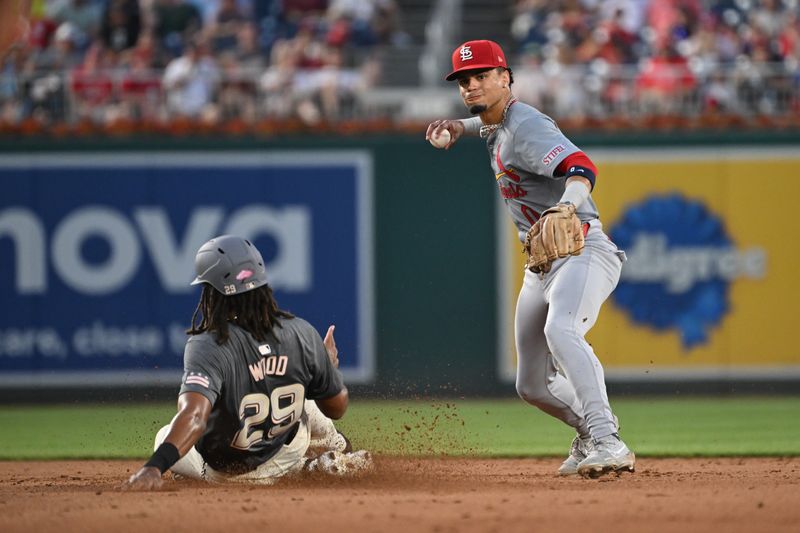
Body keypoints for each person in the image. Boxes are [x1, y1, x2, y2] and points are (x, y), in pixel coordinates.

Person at [425, 40, 634, 479]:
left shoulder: (525, 125)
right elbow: (489, 125)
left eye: (481, 76)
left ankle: (610, 441)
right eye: (464, 80)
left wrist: (568, 206)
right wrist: (460, 127)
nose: (471, 86)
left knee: (562, 330)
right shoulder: (496, 124)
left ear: (506, 77)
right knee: (532, 385)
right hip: (541, 264)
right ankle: (588, 436)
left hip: (581, 247)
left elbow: (581, 167)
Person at [123, 235, 371, 490]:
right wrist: (327, 369)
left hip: (228, 476)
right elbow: (337, 408)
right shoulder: (302, 333)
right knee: (306, 388)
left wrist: (154, 467)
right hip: (288, 451)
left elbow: (194, 417)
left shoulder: (208, 344)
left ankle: (312, 467)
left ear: (212, 292)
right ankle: (332, 450)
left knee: (164, 436)